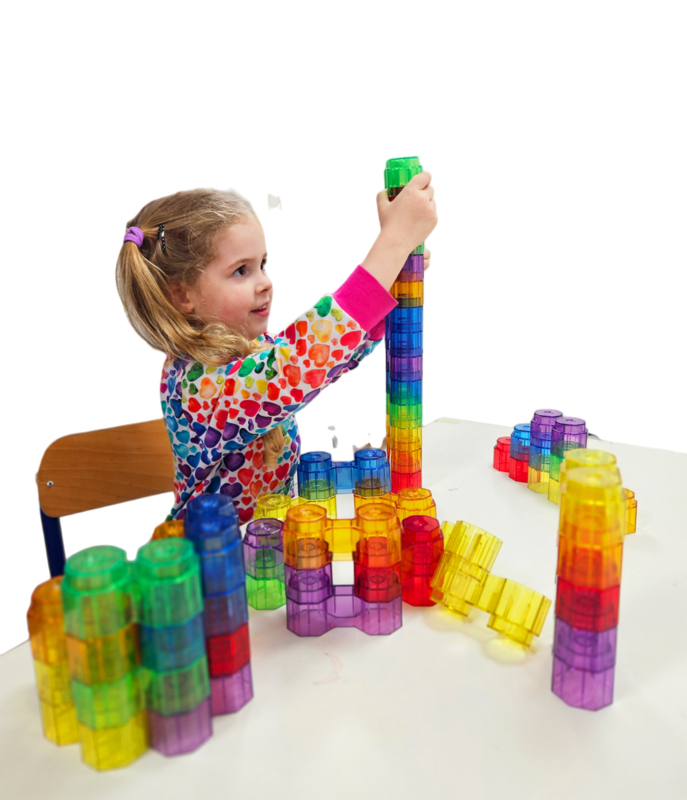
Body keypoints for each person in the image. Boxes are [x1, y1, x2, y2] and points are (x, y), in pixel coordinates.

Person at [116, 173, 437, 523]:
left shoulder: (251, 349)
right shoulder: (197, 384)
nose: (265, 283)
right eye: (241, 271)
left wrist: (387, 281)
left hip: (267, 538)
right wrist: (393, 243)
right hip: (211, 553)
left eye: (262, 265)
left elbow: (329, 358)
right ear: (182, 295)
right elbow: (298, 366)